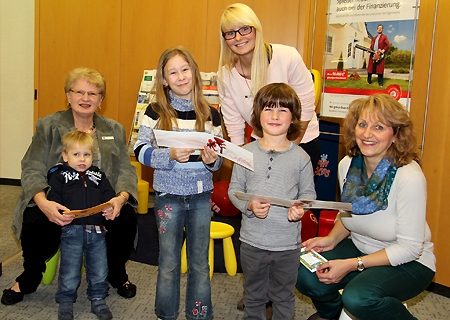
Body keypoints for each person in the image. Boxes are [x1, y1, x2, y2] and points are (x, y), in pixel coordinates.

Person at [1, 67, 139, 307]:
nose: (85, 98)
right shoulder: (48, 126)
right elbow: (32, 166)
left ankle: (117, 274)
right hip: (58, 199)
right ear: (68, 95)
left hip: (100, 201)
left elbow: (125, 169)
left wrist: (121, 197)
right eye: (79, 92)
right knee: (35, 218)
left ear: (101, 100)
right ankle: (29, 276)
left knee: (126, 218)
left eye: (93, 94)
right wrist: (44, 202)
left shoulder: (114, 130)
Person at [296, 94, 436, 320]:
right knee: (305, 274)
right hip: (361, 246)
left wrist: (352, 264)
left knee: (358, 298)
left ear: (395, 135)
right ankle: (330, 314)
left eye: (379, 127)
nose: (367, 134)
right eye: (362, 125)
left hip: (410, 262)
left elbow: (410, 248)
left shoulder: (409, 176)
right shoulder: (348, 165)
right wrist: (331, 239)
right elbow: (349, 212)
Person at [134, 46, 222, 320]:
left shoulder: (211, 113)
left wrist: (211, 160)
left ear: (194, 73)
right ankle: (166, 314)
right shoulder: (155, 110)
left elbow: (218, 161)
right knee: (169, 262)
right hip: (168, 196)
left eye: (185, 69)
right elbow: (138, 150)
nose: (181, 76)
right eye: (173, 72)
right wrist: (169, 155)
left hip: (200, 198)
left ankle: (199, 315)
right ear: (163, 79)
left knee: (199, 262)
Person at [228, 83, 316, 320]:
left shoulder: (301, 158)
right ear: (257, 114)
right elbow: (234, 190)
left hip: (287, 245)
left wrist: (300, 208)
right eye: (268, 109)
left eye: (283, 110)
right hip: (252, 242)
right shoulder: (245, 153)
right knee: (253, 296)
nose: (275, 116)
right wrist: (249, 205)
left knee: (283, 296)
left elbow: (308, 195)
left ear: (293, 118)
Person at [217, 2, 320, 170]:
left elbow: (306, 107)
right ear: (224, 39)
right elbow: (234, 127)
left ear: (256, 28)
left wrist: (288, 152)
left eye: (244, 29)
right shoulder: (225, 76)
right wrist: (243, 163)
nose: (238, 37)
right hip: (260, 145)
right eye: (230, 33)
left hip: (301, 142)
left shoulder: (288, 57)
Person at [47, 131, 116, 320]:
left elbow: (109, 194)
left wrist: (110, 206)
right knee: (70, 268)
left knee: (99, 267)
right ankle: (66, 301)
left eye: (87, 154)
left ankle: (98, 297)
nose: (82, 159)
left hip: (97, 230)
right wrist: (59, 212)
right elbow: (53, 197)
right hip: (72, 229)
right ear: (65, 156)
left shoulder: (97, 175)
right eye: (76, 155)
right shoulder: (59, 175)